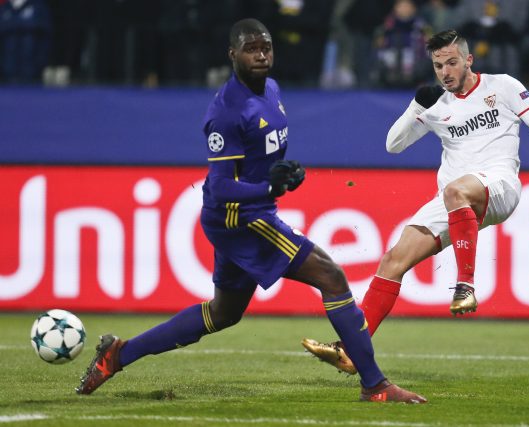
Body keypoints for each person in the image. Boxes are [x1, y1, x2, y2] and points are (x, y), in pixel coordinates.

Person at [75, 18, 426, 404]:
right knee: (332, 276)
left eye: (266, 47)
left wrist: (285, 173)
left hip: (246, 214)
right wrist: (268, 187)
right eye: (250, 48)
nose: (261, 54)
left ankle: (118, 354)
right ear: (232, 54)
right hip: (238, 218)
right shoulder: (226, 112)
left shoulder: (271, 89)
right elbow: (223, 184)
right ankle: (374, 386)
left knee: (224, 313)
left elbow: (264, 156)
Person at [302, 29, 529, 374]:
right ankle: (352, 351)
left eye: (452, 63)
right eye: (438, 65)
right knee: (393, 261)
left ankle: (465, 285)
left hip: (499, 185)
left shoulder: (503, 87)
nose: (445, 72)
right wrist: (415, 107)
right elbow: (392, 145)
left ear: (469, 60)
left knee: (456, 190)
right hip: (454, 199)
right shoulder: (436, 105)